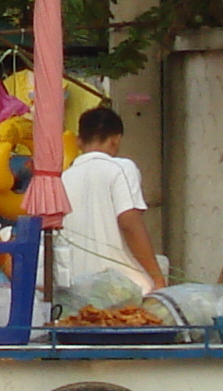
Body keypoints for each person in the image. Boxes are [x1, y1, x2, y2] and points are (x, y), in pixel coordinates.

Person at [54, 104, 167, 301]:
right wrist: (158, 280)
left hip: (76, 292)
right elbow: (129, 223)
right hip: (124, 290)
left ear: (79, 141)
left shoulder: (63, 179)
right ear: (115, 139)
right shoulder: (121, 168)